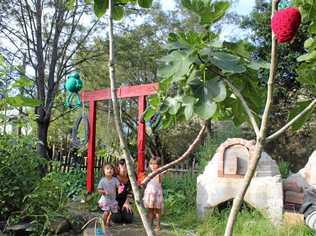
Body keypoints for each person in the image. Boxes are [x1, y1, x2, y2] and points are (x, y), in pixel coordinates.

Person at [143, 156, 163, 231]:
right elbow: (144, 182)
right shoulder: (148, 173)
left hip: (156, 194)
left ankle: (158, 226)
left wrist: (157, 172)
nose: (153, 166)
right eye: (151, 164)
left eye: (155, 164)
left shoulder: (159, 173)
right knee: (150, 210)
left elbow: (159, 181)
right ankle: (150, 225)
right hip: (149, 194)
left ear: (159, 165)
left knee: (157, 211)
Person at [111, 159, 134, 224]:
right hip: (114, 202)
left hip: (126, 202)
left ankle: (123, 212)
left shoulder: (132, 177)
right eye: (122, 167)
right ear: (118, 167)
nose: (124, 169)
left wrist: (127, 202)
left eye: (126, 166)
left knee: (128, 219)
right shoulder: (114, 178)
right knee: (117, 219)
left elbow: (131, 192)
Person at [97, 163, 120, 228]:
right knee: (106, 212)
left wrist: (120, 189)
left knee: (112, 212)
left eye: (111, 169)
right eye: (107, 169)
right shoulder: (102, 180)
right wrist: (104, 192)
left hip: (113, 199)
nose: (109, 170)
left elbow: (119, 186)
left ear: (113, 171)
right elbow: (99, 190)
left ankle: (108, 222)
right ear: (104, 171)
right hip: (105, 199)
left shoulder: (115, 179)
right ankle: (103, 223)